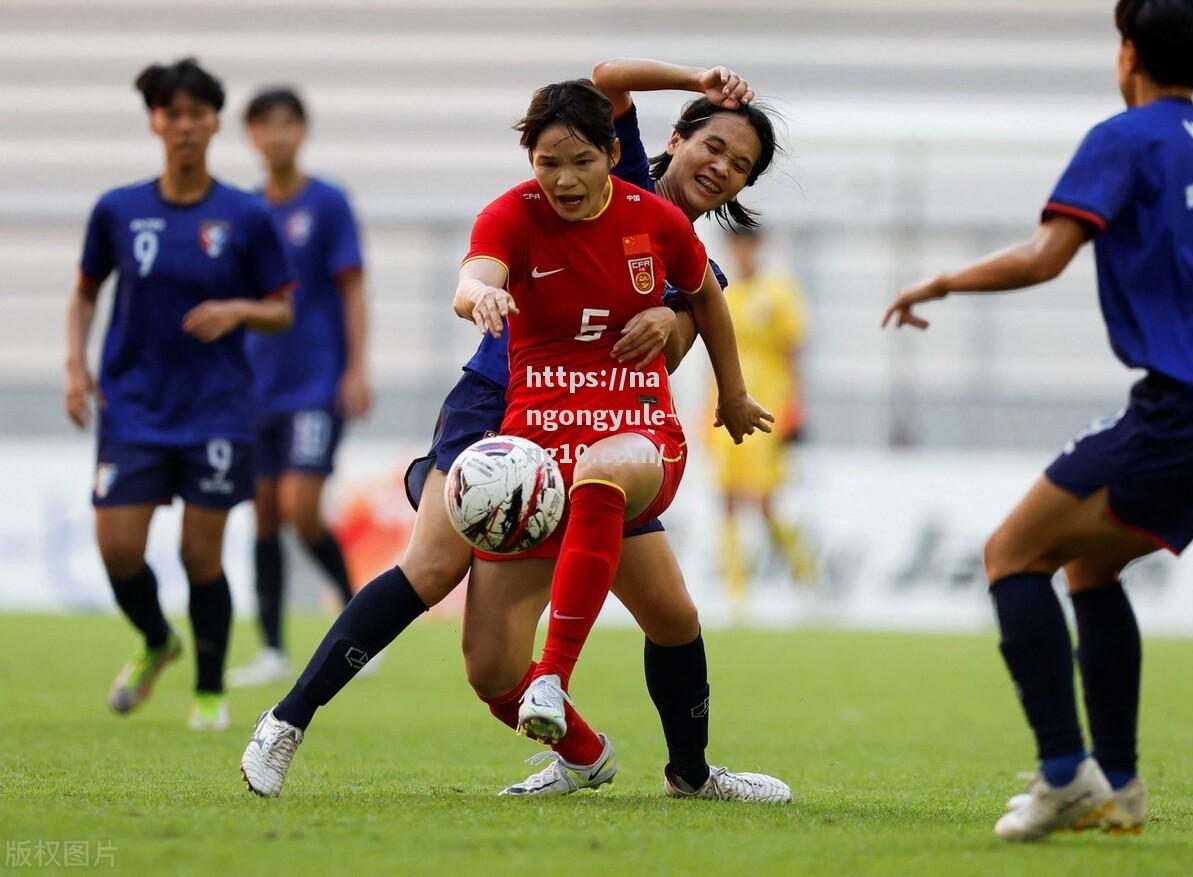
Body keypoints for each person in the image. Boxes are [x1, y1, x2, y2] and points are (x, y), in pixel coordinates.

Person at [243, 66, 789, 804]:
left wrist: (678, 322)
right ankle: (287, 721)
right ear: (674, 139)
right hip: (499, 405)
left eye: (741, 165)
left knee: (672, 612)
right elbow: (603, 80)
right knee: (442, 583)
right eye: (714, 145)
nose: (721, 167)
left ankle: (686, 772)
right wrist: (698, 76)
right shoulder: (604, 168)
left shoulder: (690, 260)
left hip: (602, 423)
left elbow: (678, 341)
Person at [882, 0, 1193, 841]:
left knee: (1010, 554)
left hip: (1180, 407)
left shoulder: (1126, 137)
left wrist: (939, 282)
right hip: (1183, 411)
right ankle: (1121, 785)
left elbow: (1043, 256)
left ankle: (1065, 773)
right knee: (1089, 570)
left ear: (1127, 53)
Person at [66, 58, 294, 730]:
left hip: (216, 407)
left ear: (216, 122)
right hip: (133, 404)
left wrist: (236, 310)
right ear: (155, 122)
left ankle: (209, 692)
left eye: (197, 113)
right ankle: (158, 640)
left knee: (202, 554)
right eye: (172, 113)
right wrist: (75, 370)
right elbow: (83, 295)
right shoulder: (117, 209)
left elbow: (282, 309)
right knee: (119, 551)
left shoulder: (246, 215)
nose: (185, 125)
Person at [229, 87, 372, 688]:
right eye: (266, 125)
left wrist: (357, 368)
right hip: (255, 385)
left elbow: (352, 290)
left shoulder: (328, 203)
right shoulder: (242, 210)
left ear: (302, 131)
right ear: (252, 135)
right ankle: (271, 650)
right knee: (262, 515)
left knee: (301, 509)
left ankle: (362, 625)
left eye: (288, 124)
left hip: (314, 382)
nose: (277, 135)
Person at [710, 227, 815, 611]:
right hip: (724, 411)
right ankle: (736, 596)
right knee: (726, 500)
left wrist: (796, 407)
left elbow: (793, 353)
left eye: (746, 245)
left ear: (757, 247)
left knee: (764, 501)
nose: (740, 253)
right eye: (734, 246)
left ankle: (806, 575)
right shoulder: (726, 294)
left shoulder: (779, 292)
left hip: (768, 410)